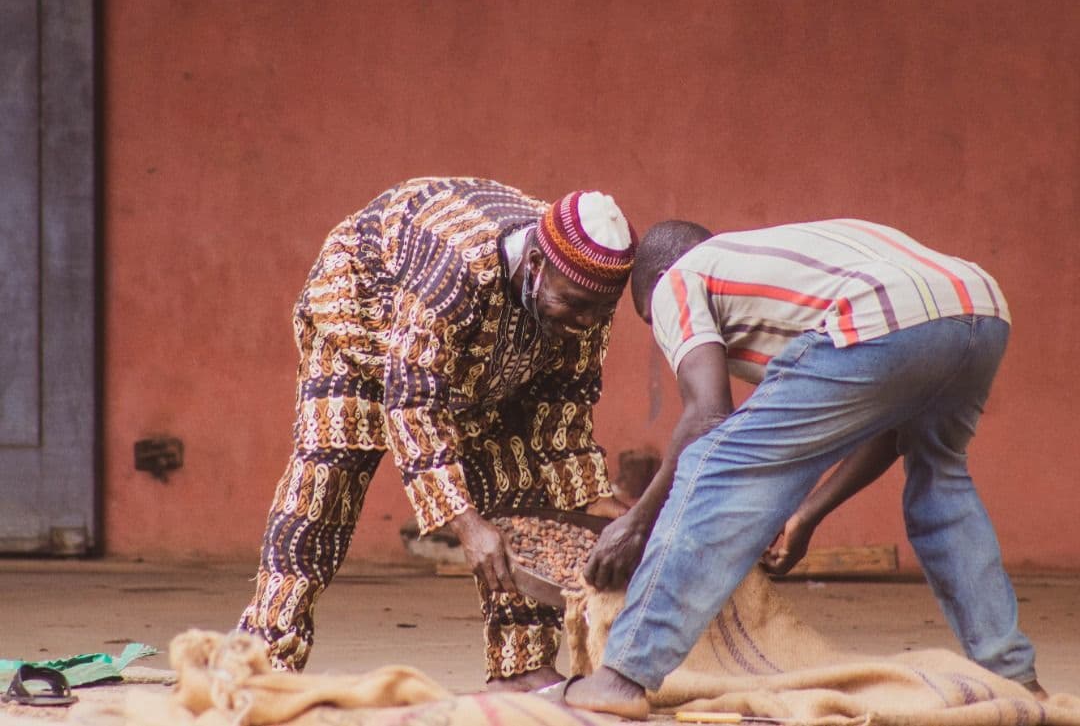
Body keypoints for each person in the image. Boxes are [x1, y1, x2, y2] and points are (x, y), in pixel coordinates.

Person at [566, 218, 1045, 719]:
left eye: (649, 320)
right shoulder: (772, 263)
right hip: (979, 307)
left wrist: (637, 522)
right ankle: (1016, 679)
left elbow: (707, 415)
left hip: (882, 312)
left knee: (717, 466)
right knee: (940, 488)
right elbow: (890, 430)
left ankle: (623, 676)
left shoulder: (677, 280)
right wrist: (808, 514)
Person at [237, 177, 636, 691]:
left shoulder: (586, 290)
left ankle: (521, 667)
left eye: (599, 312)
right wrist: (466, 525)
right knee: (324, 488)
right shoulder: (455, 267)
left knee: (520, 484)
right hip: (361, 330)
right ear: (536, 266)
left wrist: (592, 498)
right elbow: (414, 403)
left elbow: (564, 407)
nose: (585, 322)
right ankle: (263, 658)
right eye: (575, 305)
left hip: (482, 364)